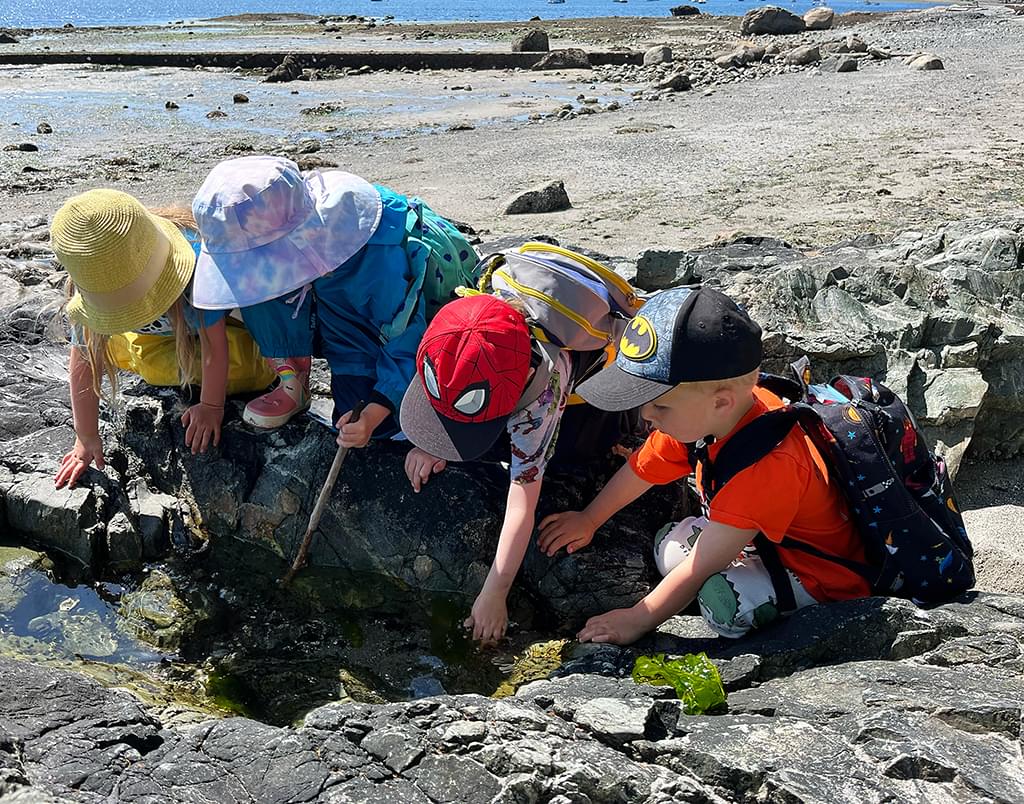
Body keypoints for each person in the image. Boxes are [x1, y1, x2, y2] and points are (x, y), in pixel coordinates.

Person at [538, 286, 872, 644]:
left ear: (721, 402)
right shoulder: (706, 421)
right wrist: (590, 518)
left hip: (821, 575)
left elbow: (703, 566)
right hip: (757, 536)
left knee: (721, 606)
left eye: (659, 406)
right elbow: (642, 469)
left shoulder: (768, 465)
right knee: (668, 548)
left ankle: (793, 612)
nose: (645, 416)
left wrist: (638, 618)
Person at [400, 280, 637, 644]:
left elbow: (523, 497)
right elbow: (451, 377)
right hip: (517, 364)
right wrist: (436, 441)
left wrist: (495, 592)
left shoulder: (543, 392)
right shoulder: (461, 329)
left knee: (572, 456)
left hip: (591, 402)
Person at [190, 155, 477, 447]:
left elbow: (405, 333)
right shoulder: (306, 252)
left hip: (420, 300)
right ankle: (292, 375)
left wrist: (377, 409)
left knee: (381, 425)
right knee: (349, 412)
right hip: (340, 301)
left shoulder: (374, 257)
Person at [52, 189, 275, 490]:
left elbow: (214, 347)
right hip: (164, 335)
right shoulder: (99, 280)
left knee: (253, 369)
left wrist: (211, 406)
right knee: (114, 351)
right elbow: (85, 359)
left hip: (224, 329)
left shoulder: (200, 271)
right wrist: (86, 436)